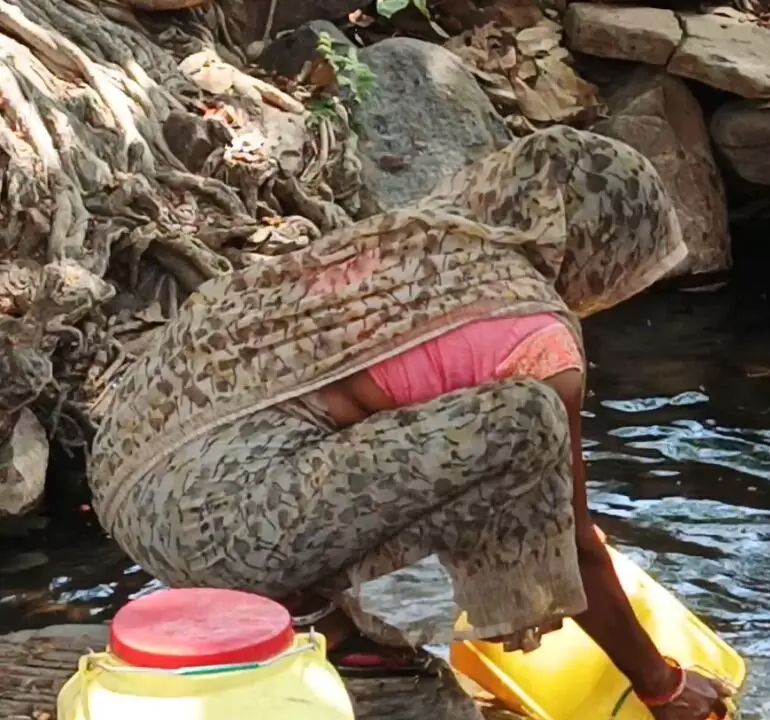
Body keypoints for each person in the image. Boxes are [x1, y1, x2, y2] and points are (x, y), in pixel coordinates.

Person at [89, 127, 730, 720]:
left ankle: (315, 613)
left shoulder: (416, 242)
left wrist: (557, 515)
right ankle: (317, 623)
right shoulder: (539, 342)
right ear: (606, 248)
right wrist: (661, 685)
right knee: (527, 424)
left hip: (125, 479)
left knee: (487, 460)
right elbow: (575, 545)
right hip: (215, 536)